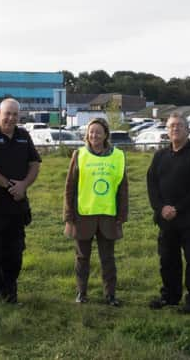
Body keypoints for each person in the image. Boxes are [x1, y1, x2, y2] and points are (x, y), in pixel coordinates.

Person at [0, 98, 41, 304]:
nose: (11, 118)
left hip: (17, 209)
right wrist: (8, 185)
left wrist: (23, 186)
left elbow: (35, 163)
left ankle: (9, 294)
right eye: (7, 113)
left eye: (15, 114)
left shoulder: (23, 136)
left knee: (14, 255)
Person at [146, 112, 190, 314]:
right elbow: (152, 185)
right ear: (167, 131)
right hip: (166, 220)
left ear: (187, 129)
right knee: (168, 260)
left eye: (179, 126)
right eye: (171, 126)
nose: (175, 129)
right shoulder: (160, 156)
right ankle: (170, 296)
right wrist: (161, 208)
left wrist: (177, 208)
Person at [63, 118, 128, 306]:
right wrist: (69, 216)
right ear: (87, 134)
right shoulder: (79, 154)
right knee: (82, 258)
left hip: (108, 216)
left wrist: (122, 216)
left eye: (98, 132)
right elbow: (70, 187)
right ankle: (81, 293)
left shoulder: (117, 156)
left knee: (107, 258)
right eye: (91, 132)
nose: (94, 135)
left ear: (106, 134)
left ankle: (110, 295)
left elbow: (123, 188)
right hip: (83, 216)